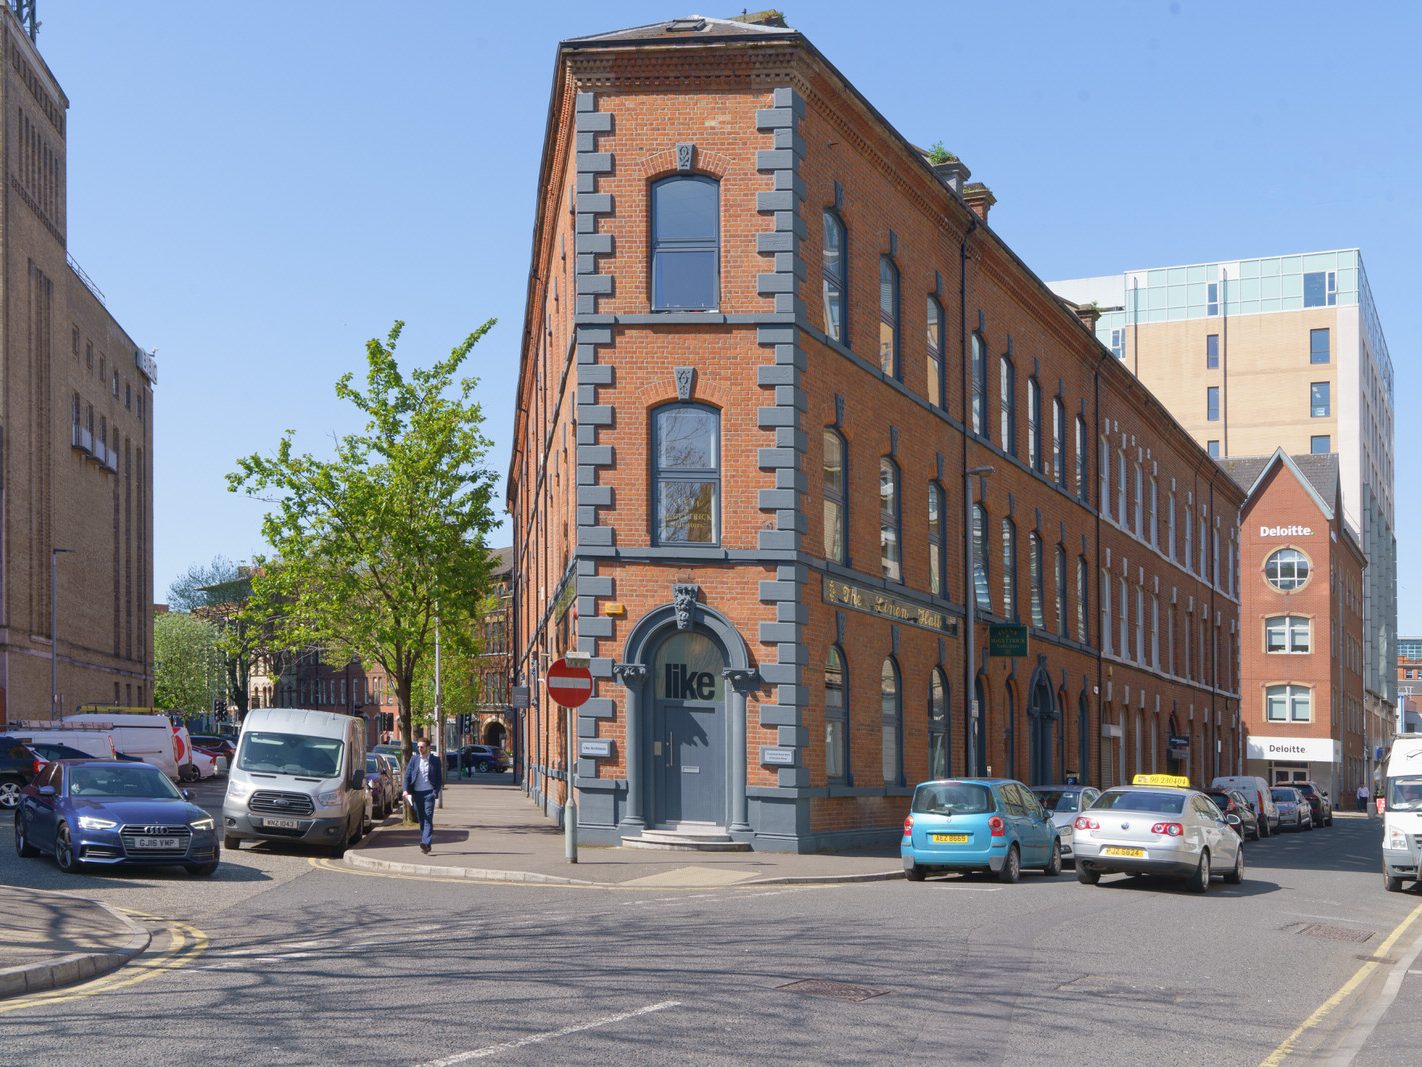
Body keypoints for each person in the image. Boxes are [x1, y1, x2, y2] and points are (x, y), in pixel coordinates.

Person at [403, 737, 443, 854]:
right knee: (421, 819)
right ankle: (427, 845)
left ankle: (425, 842)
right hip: (416, 794)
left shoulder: (435, 761)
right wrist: (406, 790)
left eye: (422, 747)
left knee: (428, 818)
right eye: (418, 747)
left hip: (429, 794)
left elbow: (439, 778)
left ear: (428, 748)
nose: (420, 749)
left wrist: (435, 792)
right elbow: (407, 776)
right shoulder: (414, 760)